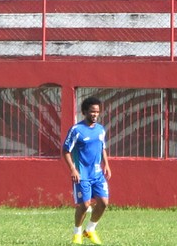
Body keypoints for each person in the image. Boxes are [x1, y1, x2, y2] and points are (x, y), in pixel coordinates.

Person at [63, 96, 112, 245]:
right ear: (85, 112)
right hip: (82, 174)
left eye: (97, 112)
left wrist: (107, 165)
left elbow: (102, 148)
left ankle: (90, 230)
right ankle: (77, 233)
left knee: (104, 203)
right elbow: (65, 150)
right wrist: (73, 169)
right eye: (92, 112)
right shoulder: (76, 130)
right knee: (85, 205)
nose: (95, 115)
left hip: (97, 174)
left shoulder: (100, 129)